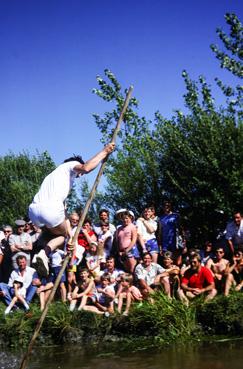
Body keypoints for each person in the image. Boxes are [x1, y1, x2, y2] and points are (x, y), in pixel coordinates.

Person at [29, 143, 115, 277]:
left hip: (34, 211)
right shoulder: (70, 165)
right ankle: (43, 254)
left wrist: (71, 239)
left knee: (51, 233)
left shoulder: (53, 177)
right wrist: (104, 151)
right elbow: (86, 167)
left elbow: (63, 215)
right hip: (50, 210)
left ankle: (40, 254)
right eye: (78, 174)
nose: (79, 176)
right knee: (61, 236)